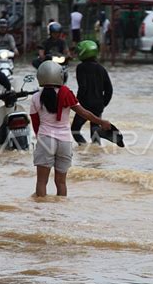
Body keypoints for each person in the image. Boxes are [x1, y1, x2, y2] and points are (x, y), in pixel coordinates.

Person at [30, 60, 111, 197]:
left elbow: (35, 122)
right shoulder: (67, 94)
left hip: (46, 139)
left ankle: (41, 213)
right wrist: (101, 121)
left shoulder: (36, 98)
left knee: (41, 182)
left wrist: (40, 139)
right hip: (65, 142)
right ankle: (61, 213)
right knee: (61, 183)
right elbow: (84, 113)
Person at [71, 40, 113, 145]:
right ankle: (95, 156)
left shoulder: (80, 68)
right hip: (98, 105)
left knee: (75, 130)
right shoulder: (101, 68)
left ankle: (84, 149)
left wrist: (77, 102)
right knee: (95, 131)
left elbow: (83, 87)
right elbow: (109, 89)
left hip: (85, 104)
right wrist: (103, 104)